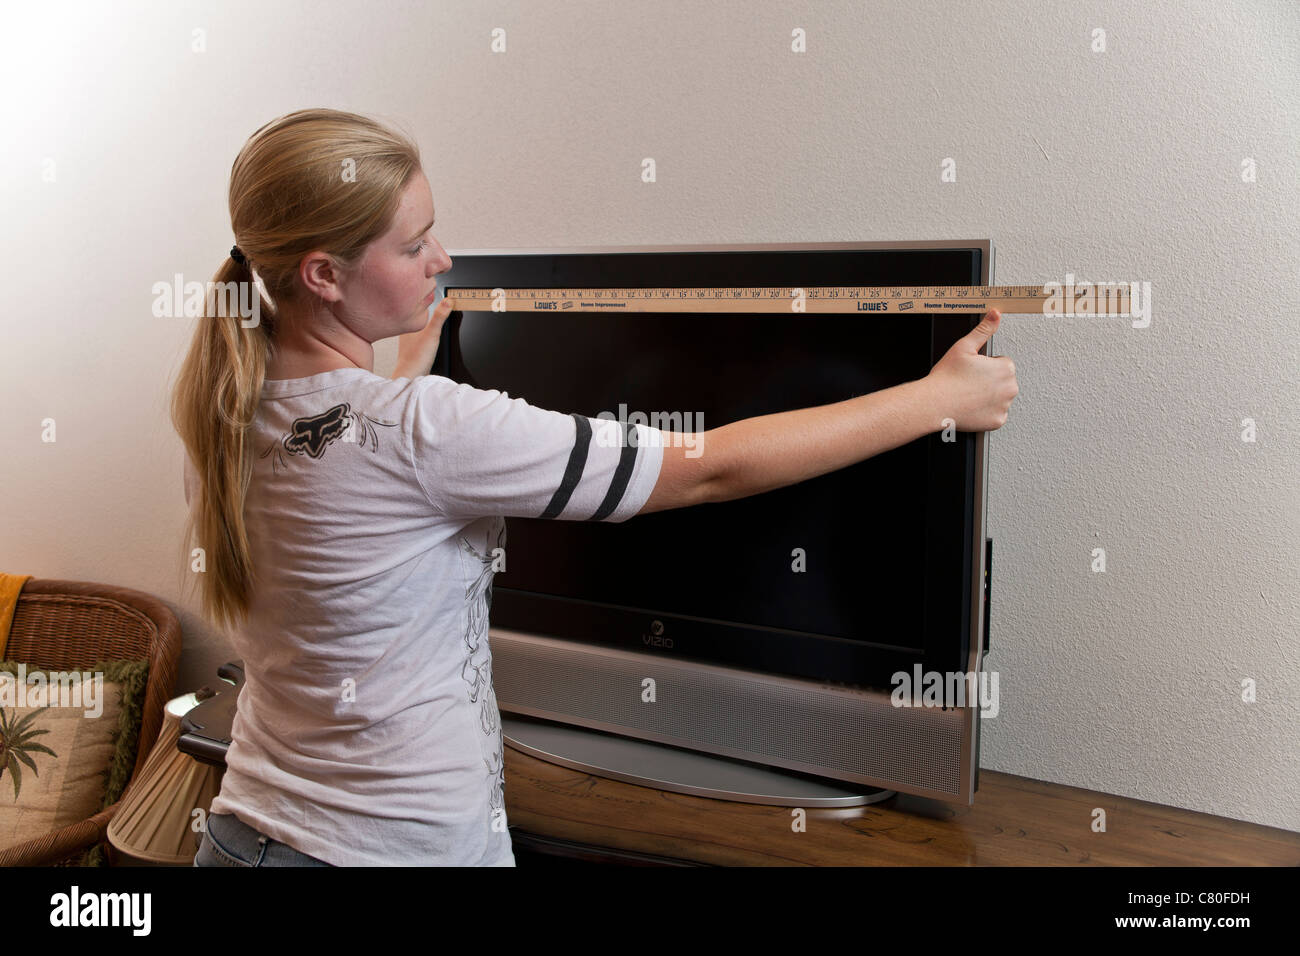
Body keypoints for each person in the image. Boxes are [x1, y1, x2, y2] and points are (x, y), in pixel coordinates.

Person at [176, 108, 1018, 868]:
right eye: (413, 244)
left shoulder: (223, 416)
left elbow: (361, 472)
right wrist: (936, 400)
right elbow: (712, 469)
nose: (444, 258)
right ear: (323, 275)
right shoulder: (426, 431)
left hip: (248, 833)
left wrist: (402, 378)